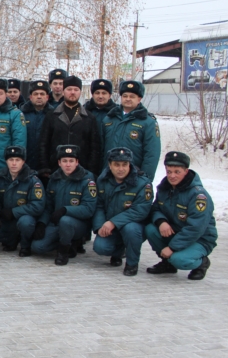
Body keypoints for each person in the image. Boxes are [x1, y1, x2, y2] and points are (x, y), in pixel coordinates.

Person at [145, 151, 216, 280]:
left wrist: (172, 247)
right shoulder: (165, 187)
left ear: (186, 171)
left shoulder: (198, 196)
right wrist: (161, 221)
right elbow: (155, 209)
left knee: (179, 259)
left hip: (199, 238)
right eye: (169, 171)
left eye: (177, 172)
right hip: (177, 232)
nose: (172, 176)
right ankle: (168, 264)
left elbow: (195, 228)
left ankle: (202, 263)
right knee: (151, 229)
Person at [92, 148, 153, 277]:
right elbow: (99, 206)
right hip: (110, 226)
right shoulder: (102, 181)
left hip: (134, 226)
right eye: (117, 164)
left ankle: (132, 264)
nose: (121, 169)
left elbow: (140, 210)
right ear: (110, 165)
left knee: (131, 230)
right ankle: (119, 251)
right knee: (100, 248)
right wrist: (99, 227)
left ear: (130, 165)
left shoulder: (143, 183)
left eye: (124, 164)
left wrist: (113, 222)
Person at [32, 145, 97, 265]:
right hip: (57, 222)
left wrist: (65, 210)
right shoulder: (54, 179)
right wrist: (42, 223)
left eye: (71, 161)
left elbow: (89, 209)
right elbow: (49, 206)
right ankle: (68, 243)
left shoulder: (87, 180)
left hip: (78, 224)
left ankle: (64, 252)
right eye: (64, 161)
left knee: (66, 221)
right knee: (37, 247)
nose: (68, 164)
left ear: (77, 162)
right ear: (59, 163)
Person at [0, 146, 45, 253]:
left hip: (23, 217)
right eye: (11, 160)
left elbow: (37, 205)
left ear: (23, 161)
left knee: (25, 223)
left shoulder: (33, 181)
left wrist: (14, 212)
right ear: (6, 161)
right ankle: (10, 240)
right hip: (6, 217)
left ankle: (25, 246)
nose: (14, 163)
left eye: (17, 160)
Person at [38, 76, 101, 176]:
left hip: (82, 171)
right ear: (63, 92)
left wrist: (91, 171)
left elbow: (94, 147)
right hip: (55, 170)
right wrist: (45, 168)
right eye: (69, 89)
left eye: (76, 89)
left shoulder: (89, 117)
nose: (72, 92)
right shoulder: (52, 115)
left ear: (80, 92)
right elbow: (43, 143)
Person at [102, 80, 160, 181]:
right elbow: (101, 149)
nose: (128, 99)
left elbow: (151, 154)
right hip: (109, 176)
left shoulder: (148, 122)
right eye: (125, 96)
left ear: (139, 99)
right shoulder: (109, 119)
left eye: (132, 96)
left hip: (134, 177)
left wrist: (145, 179)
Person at [20, 80, 54, 172]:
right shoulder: (21, 114)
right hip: (26, 163)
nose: (39, 97)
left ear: (47, 97)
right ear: (30, 97)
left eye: (42, 94)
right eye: (36, 94)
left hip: (46, 165)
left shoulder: (54, 115)